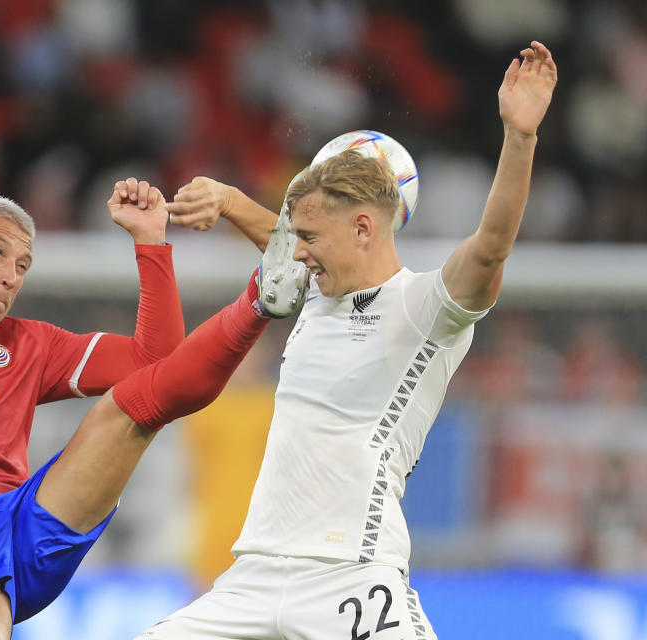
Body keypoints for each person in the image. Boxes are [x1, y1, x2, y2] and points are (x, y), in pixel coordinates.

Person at [0, 87, 282, 640]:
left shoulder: (28, 343)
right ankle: (261, 298)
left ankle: (263, 294)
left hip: (28, 520)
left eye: (22, 264)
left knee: (135, 405)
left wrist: (151, 243)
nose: (12, 274)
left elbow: (156, 361)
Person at [152, 41, 557, 639]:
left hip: (353, 579)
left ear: (364, 227)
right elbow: (290, 239)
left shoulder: (426, 308)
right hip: (253, 576)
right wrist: (232, 200)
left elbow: (491, 246)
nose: (296, 252)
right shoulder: (319, 288)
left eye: (308, 236)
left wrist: (518, 137)